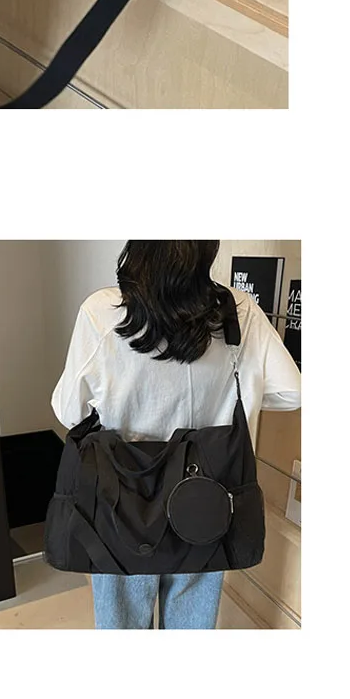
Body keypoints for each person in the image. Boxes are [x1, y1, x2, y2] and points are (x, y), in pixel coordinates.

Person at [51, 241, 301, 630]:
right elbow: (291, 392)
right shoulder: (239, 311)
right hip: (206, 494)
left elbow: (69, 411)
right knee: (192, 625)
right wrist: (239, 399)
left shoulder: (102, 311)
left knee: (121, 625)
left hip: (120, 497)